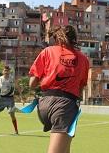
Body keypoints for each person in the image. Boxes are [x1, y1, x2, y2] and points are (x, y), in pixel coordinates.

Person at [29, 25, 89, 153]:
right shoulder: (83, 59)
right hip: (65, 106)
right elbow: (81, 87)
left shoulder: (47, 51)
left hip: (44, 104)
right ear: (75, 38)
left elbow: (32, 84)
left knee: (65, 150)